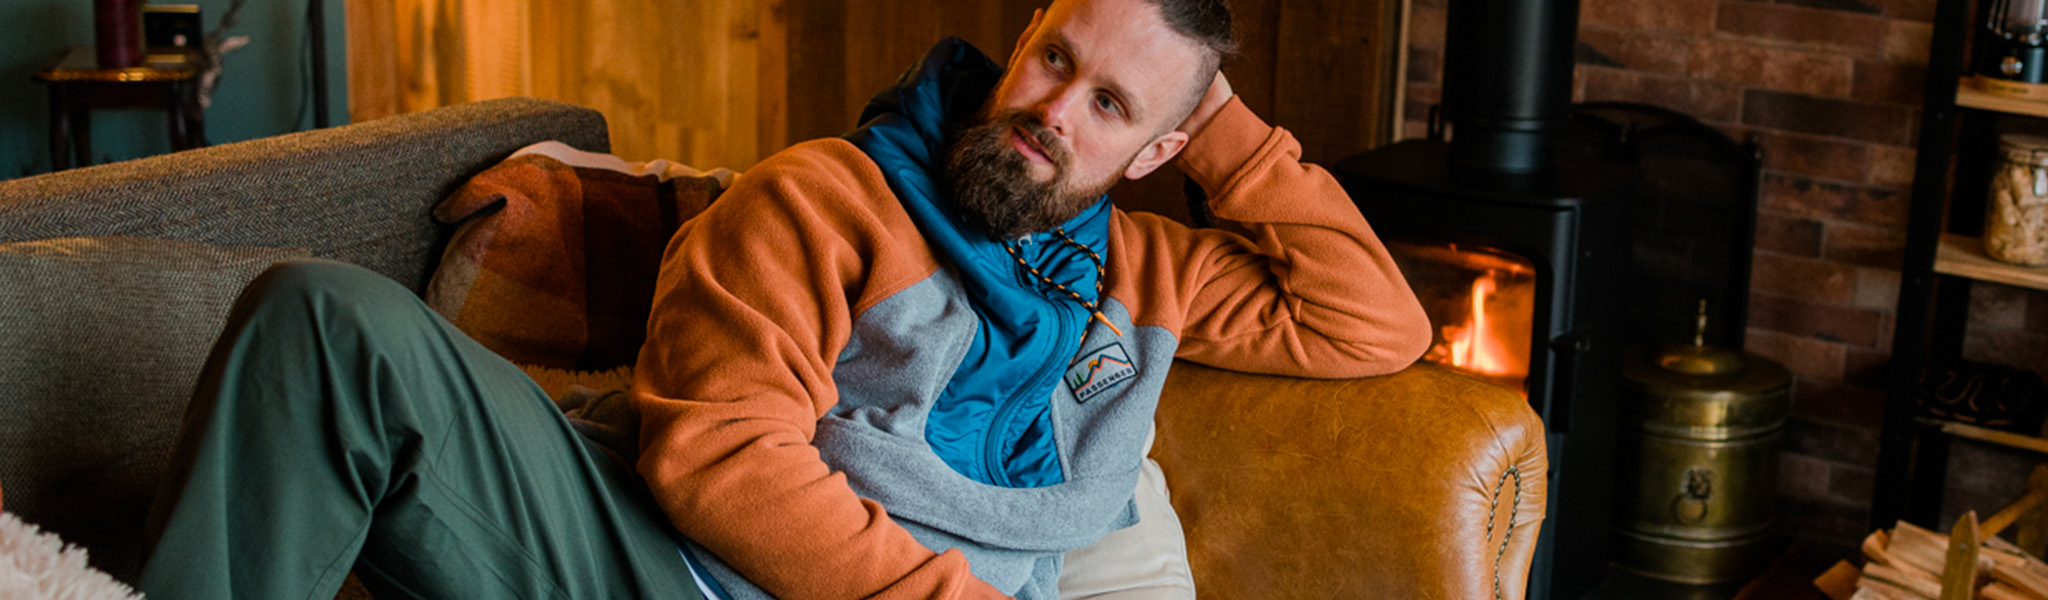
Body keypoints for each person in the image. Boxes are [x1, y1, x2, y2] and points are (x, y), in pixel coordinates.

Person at [135, 0, 1430, 598]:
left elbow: (1377, 324)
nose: (1049, 111)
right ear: (1024, 34)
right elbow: (717, 457)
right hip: (675, 568)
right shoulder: (829, 197)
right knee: (322, 319)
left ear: (1157, 151)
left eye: (1110, 105)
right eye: (1056, 58)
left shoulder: (1152, 273)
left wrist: (1224, 131)